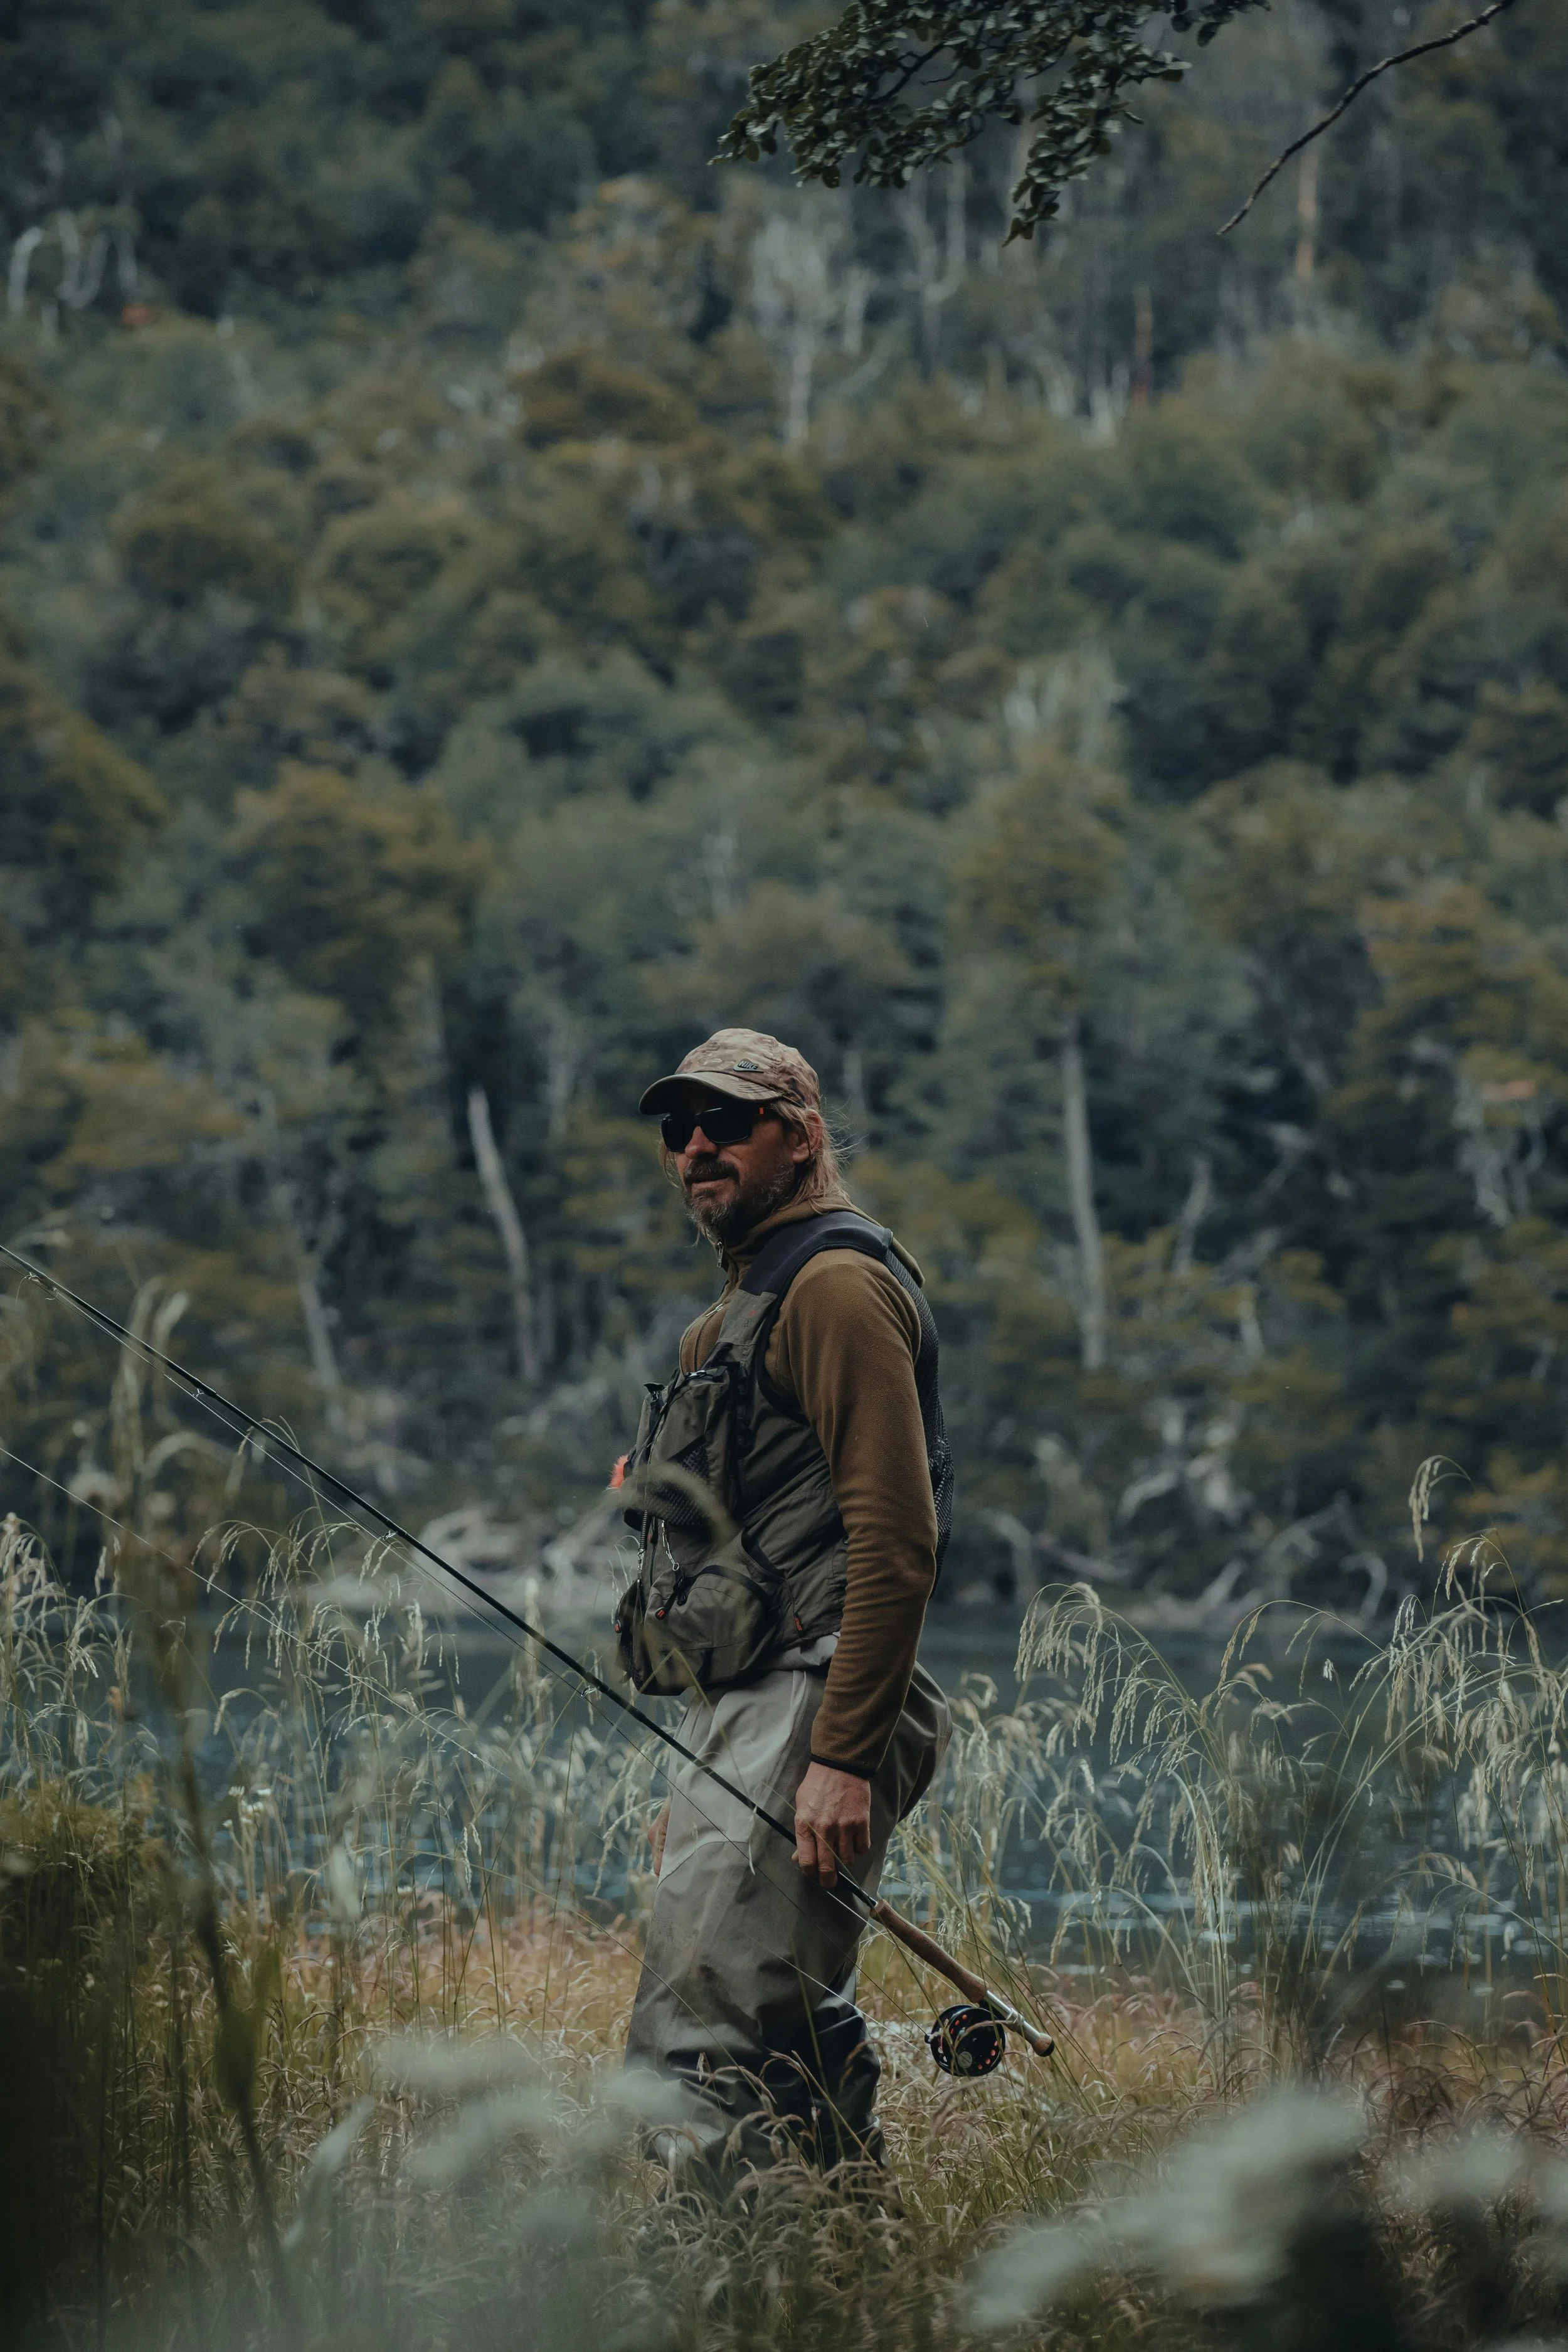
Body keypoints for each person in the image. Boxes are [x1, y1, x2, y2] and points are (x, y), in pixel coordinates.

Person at [618, 1026, 952, 2181]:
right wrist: (713, 1780)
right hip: (754, 1717)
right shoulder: (729, 1320)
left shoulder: (840, 1289)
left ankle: (722, 2298)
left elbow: (898, 1542)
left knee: (696, 2043)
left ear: (800, 1137)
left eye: (728, 1120)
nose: (698, 1145)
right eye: (679, 1126)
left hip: (815, 1703)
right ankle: (847, 2278)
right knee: (795, 2030)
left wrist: (841, 1755)